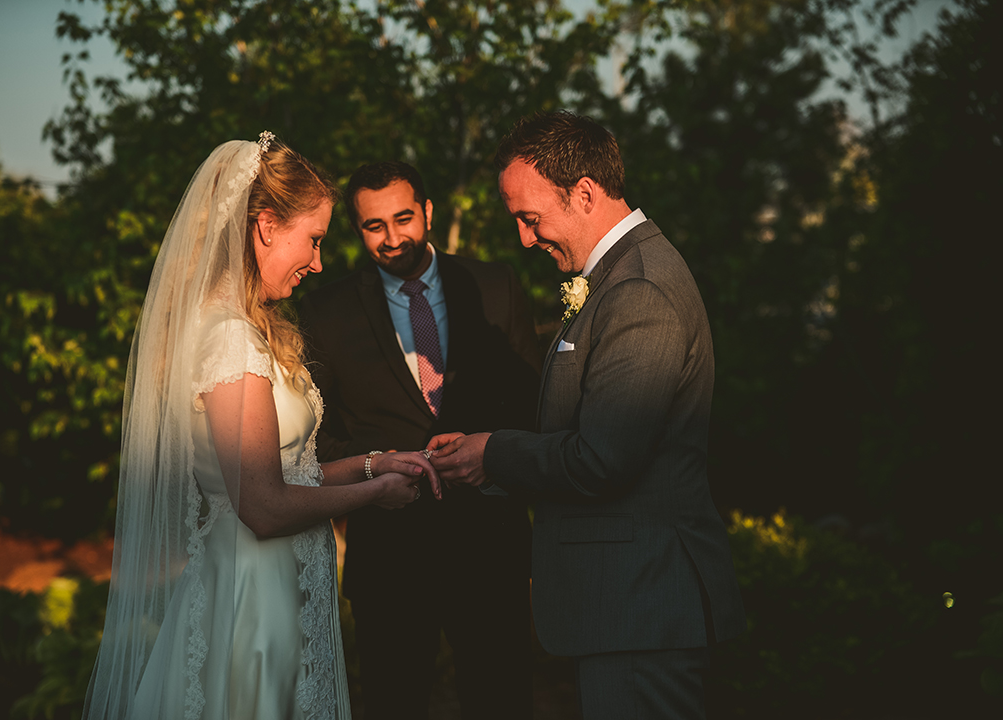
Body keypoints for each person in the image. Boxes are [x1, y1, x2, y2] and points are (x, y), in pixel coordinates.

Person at [82, 134, 440, 720]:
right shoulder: (228, 340)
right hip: (252, 595)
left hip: (276, 581)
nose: (319, 262)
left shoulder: (247, 330)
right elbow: (263, 505)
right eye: (314, 240)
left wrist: (376, 462)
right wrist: (376, 494)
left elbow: (284, 473)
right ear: (267, 226)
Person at [428, 111, 746, 719]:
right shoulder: (620, 279)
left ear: (584, 193)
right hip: (627, 606)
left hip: (643, 606)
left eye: (530, 217)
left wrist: (492, 452)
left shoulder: (640, 291)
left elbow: (603, 460)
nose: (524, 238)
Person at [298, 161, 540, 720]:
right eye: (372, 226)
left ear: (428, 213)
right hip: (390, 559)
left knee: (503, 702)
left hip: (490, 548)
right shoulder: (325, 310)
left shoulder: (495, 284)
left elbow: (535, 403)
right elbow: (314, 435)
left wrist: (489, 445)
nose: (391, 237)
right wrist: (376, 467)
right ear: (357, 230)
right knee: (393, 703)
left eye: (403, 218)